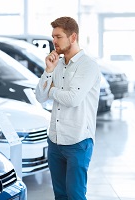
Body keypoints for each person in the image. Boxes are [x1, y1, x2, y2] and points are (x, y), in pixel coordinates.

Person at [35, 16, 101, 200]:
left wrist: (52, 90)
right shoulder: (56, 64)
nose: (53, 41)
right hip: (55, 141)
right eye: (53, 37)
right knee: (60, 195)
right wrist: (48, 71)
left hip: (78, 141)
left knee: (75, 195)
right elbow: (40, 96)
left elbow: (73, 99)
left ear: (73, 38)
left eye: (58, 37)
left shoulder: (88, 66)